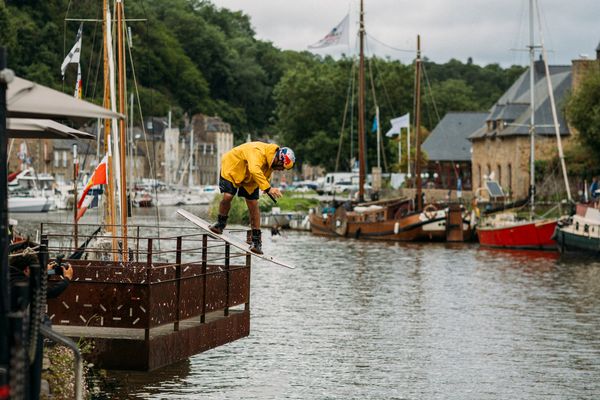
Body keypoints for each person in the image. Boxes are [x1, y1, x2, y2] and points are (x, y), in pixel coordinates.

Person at [209, 142, 295, 254]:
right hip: (233, 167)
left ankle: (256, 242)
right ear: (279, 159)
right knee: (228, 196)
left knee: (253, 205)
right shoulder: (258, 151)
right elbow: (254, 169)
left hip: (250, 178)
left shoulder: (272, 162)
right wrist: (268, 189)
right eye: (281, 167)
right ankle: (220, 224)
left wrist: (265, 186)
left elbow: (263, 174)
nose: (280, 170)